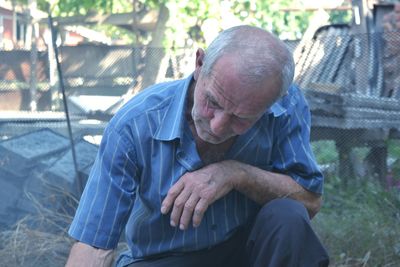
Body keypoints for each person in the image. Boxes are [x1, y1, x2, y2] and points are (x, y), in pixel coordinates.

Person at [66, 25, 329, 267]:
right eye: (212, 102)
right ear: (200, 63)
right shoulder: (135, 123)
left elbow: (309, 202)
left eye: (241, 118)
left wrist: (236, 173)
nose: (217, 127)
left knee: (288, 217)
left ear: (272, 101)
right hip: (163, 259)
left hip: (246, 254)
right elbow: (94, 245)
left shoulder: (286, 106)